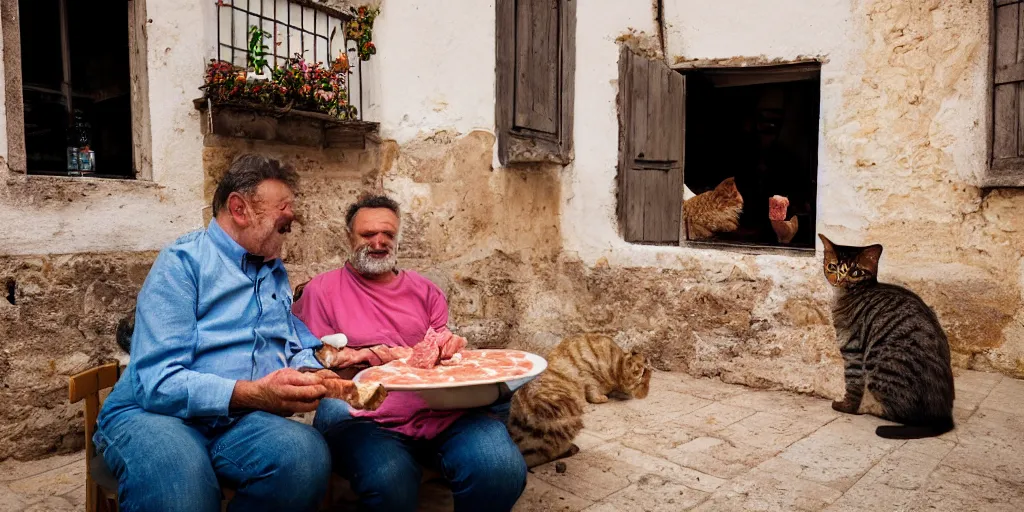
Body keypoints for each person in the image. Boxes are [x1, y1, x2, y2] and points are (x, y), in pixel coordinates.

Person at [93, 154, 332, 512]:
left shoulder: (271, 267)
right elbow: (157, 383)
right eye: (281, 212)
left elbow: (286, 340)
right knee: (181, 484)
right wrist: (255, 393)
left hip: (233, 419)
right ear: (239, 209)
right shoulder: (182, 263)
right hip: (153, 414)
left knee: (305, 456)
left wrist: (320, 367)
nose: (291, 221)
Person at [292, 194, 528, 512]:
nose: (379, 242)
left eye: (388, 234)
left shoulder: (425, 291)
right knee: (391, 482)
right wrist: (368, 356)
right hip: (360, 410)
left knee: (501, 470)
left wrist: (449, 350)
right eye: (367, 234)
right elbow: (310, 360)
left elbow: (440, 358)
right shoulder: (322, 291)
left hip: (438, 407)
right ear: (349, 237)